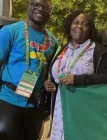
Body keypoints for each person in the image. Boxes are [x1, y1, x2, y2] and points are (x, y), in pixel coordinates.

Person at [44, 10, 107, 140]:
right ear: (69, 27)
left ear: (90, 29)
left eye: (84, 24)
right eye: (75, 23)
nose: (79, 26)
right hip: (60, 109)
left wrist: (77, 79)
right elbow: (54, 75)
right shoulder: (62, 49)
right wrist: (50, 84)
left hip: (84, 110)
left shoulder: (99, 51)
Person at [0, 0, 58, 139]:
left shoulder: (53, 42)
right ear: (29, 7)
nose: (40, 9)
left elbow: (48, 72)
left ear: (50, 12)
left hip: (34, 106)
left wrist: (48, 83)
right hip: (9, 100)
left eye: (45, 7)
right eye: (36, 5)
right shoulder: (10, 31)